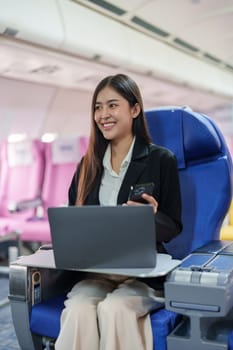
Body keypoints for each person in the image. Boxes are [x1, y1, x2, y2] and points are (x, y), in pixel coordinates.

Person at [55, 73, 182, 350]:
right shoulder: (86, 165)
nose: (103, 114)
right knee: (78, 308)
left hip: (144, 274)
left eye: (112, 105)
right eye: (98, 107)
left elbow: (173, 226)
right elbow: (74, 220)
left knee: (116, 309)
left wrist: (149, 219)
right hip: (97, 271)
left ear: (135, 109)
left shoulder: (161, 160)